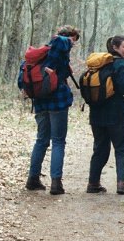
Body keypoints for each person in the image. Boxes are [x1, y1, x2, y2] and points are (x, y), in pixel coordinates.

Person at [19, 25, 80, 195]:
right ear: (71, 38)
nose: (73, 45)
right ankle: (56, 183)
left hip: (39, 102)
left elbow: (21, 80)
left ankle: (33, 179)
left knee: (41, 140)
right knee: (58, 141)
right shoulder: (61, 53)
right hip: (58, 102)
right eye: (74, 41)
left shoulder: (39, 54)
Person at [86, 35, 124, 195]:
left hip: (96, 113)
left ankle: (93, 183)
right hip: (117, 114)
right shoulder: (123, 65)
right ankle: (121, 184)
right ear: (115, 47)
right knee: (122, 149)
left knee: (100, 148)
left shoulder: (99, 65)